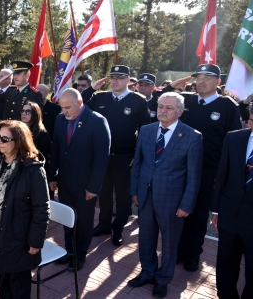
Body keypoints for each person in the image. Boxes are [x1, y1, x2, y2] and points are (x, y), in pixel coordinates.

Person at [128, 92, 203, 299]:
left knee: (170, 243)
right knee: (146, 238)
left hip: (172, 201)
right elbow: (139, 163)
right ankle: (147, 272)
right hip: (145, 196)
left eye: (169, 108)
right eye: (160, 106)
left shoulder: (192, 137)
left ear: (180, 111)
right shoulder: (146, 130)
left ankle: (163, 279)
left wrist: (186, 205)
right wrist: (134, 190)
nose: (162, 110)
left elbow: (194, 176)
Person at [175, 64, 241, 272]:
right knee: (178, 212)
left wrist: (223, 175)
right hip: (181, 168)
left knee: (199, 215)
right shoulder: (185, 101)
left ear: (218, 82)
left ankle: (194, 254)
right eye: (198, 77)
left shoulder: (228, 106)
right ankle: (179, 250)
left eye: (207, 77)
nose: (201, 81)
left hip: (209, 171)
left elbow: (234, 144)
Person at [0, 119, 50, 298]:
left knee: (18, 282)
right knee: (3, 278)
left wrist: (35, 241)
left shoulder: (32, 169)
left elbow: (41, 208)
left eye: (5, 139)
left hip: (19, 236)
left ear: (18, 141)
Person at [81, 65, 150, 246]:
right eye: (112, 77)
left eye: (119, 77)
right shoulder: (100, 97)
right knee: (103, 192)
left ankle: (118, 228)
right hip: (102, 155)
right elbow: (78, 104)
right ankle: (104, 224)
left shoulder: (138, 101)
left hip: (125, 156)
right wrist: (92, 88)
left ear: (128, 79)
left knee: (122, 195)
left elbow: (145, 130)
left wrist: (138, 154)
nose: (115, 81)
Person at [49, 88, 111, 271]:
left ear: (80, 103)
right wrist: (52, 176)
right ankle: (69, 251)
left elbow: (102, 158)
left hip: (85, 186)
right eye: (62, 108)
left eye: (68, 107)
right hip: (65, 182)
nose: (64, 111)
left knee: (84, 221)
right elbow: (56, 149)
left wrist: (94, 187)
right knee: (69, 219)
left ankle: (80, 255)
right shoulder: (61, 119)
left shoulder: (98, 121)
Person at [211, 105, 253, 298]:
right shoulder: (234, 138)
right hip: (229, 214)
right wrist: (216, 210)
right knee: (226, 263)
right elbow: (222, 175)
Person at [20, 101, 52, 195]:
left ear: (35, 114)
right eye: (22, 111)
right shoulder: (18, 130)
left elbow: (43, 157)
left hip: (34, 175)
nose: (23, 114)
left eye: (28, 111)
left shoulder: (42, 134)